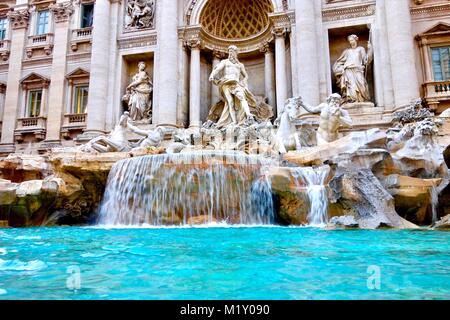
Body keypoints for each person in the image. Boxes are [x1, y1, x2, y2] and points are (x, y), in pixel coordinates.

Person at [208, 45, 257, 128]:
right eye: (229, 51)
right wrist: (212, 75)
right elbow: (217, 69)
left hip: (236, 83)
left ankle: (248, 114)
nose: (230, 53)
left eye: (232, 52)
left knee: (242, 97)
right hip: (226, 83)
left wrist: (243, 82)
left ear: (236, 53)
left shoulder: (240, 65)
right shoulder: (224, 62)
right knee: (230, 102)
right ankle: (234, 122)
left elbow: (245, 76)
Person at [333, 34, 373, 103]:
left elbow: (366, 61)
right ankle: (352, 100)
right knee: (351, 86)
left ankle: (361, 99)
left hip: (358, 70)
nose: (351, 42)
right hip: (348, 70)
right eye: (350, 41)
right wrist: (341, 68)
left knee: (362, 85)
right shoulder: (347, 51)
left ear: (355, 40)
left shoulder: (361, 49)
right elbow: (339, 62)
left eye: (352, 40)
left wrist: (370, 49)